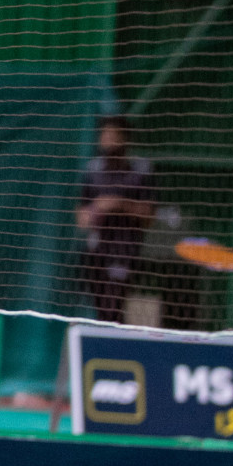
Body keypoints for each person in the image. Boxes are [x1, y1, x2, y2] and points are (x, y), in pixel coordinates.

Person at [76, 115, 154, 325]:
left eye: (113, 134)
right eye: (104, 134)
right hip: (96, 252)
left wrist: (119, 204)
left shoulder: (140, 172)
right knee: (97, 306)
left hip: (125, 250)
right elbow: (82, 219)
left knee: (114, 306)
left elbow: (148, 216)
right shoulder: (92, 171)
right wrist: (97, 209)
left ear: (124, 139)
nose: (107, 138)